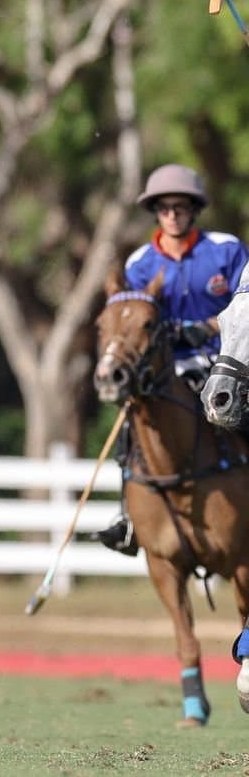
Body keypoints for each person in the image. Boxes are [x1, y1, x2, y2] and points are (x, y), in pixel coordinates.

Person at [93, 164, 249, 556]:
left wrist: (205, 328)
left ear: (194, 209)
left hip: (223, 361)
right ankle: (127, 518)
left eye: (180, 207)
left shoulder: (225, 250)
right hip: (167, 367)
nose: (172, 214)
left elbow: (244, 305)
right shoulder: (140, 263)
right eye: (164, 208)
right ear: (156, 212)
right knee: (134, 427)